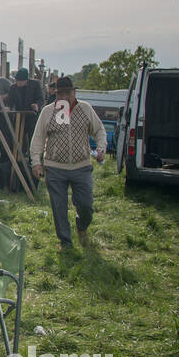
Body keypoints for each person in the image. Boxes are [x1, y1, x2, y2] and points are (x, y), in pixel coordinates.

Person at [30, 76, 107, 250]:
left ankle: (82, 225)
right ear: (56, 94)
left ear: (74, 92)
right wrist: (36, 162)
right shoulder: (48, 112)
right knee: (59, 207)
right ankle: (65, 242)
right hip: (55, 167)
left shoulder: (85, 109)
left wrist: (101, 149)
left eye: (68, 93)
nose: (64, 97)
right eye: (60, 93)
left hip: (81, 166)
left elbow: (99, 130)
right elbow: (38, 138)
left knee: (86, 204)